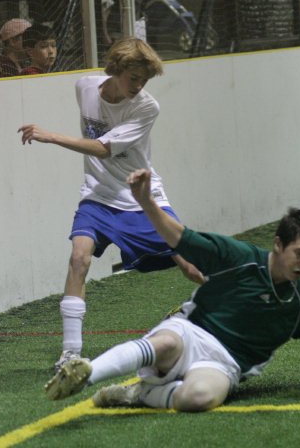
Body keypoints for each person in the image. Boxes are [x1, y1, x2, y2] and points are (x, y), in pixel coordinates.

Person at [44, 169, 300, 410]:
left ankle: (137, 393)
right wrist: (148, 203)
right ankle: (87, 370)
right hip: (191, 332)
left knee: (198, 399)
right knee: (164, 343)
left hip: (225, 364)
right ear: (278, 245)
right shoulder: (239, 257)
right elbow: (179, 237)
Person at [18, 38, 204, 371]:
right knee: (78, 259)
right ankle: (71, 354)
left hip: (141, 196)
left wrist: (52, 136)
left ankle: (233, 304)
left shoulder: (146, 107)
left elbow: (104, 148)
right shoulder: (85, 87)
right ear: (116, 69)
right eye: (134, 77)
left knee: (191, 266)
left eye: (145, 80)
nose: (139, 85)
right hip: (97, 196)